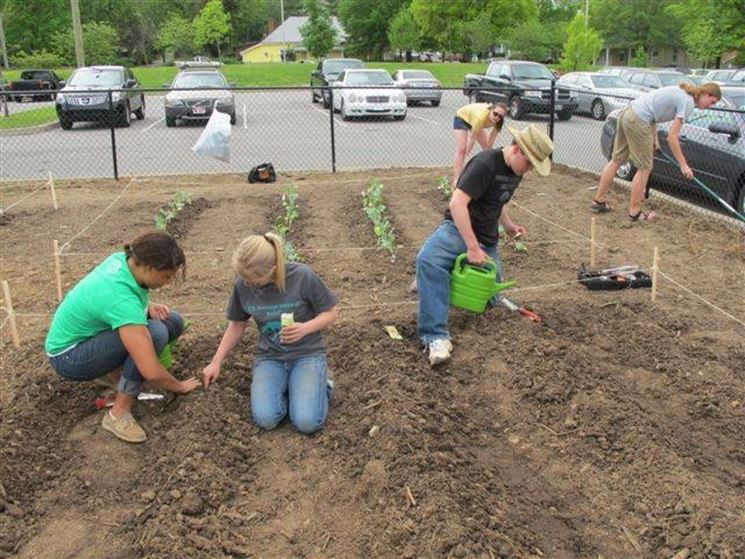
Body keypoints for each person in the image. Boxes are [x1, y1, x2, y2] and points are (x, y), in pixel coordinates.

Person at [417, 124, 554, 365]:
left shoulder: (516, 171)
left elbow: (497, 202)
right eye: (530, 162)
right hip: (459, 229)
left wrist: (509, 226)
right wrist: (471, 247)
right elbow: (457, 204)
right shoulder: (485, 164)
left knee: (492, 296)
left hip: (487, 237)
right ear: (516, 149)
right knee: (428, 262)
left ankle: (442, 279)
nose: (530, 169)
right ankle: (435, 336)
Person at [45, 232, 201, 443]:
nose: (169, 281)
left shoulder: (124, 261)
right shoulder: (119, 298)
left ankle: (121, 383)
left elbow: (116, 305)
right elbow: (151, 371)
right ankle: (118, 413)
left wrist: (146, 307)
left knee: (171, 321)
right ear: (149, 268)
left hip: (90, 338)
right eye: (167, 276)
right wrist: (179, 386)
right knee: (155, 333)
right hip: (69, 356)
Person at [202, 233, 338, 434]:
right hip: (270, 357)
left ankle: (321, 385)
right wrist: (216, 362)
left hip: (306, 354)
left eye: (253, 280)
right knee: (266, 419)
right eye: (244, 278)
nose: (248, 284)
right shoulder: (242, 284)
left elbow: (331, 313)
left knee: (307, 422)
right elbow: (237, 324)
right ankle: (295, 389)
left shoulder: (302, 276)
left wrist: (305, 328)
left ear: (273, 269)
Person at [591, 82, 721, 221]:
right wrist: (683, 165)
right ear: (707, 94)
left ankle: (599, 201)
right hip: (639, 120)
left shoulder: (682, 92)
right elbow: (672, 137)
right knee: (644, 167)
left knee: (617, 160)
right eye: (712, 102)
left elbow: (654, 111)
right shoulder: (688, 102)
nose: (710, 106)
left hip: (628, 114)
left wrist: (655, 139)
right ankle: (634, 212)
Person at [452, 102, 508, 186]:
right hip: (462, 118)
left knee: (487, 149)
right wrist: (466, 157)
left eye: (500, 116)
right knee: (462, 149)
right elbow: (472, 139)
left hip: (474, 122)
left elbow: (491, 140)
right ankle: (456, 179)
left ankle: (487, 173)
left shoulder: (499, 122)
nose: (497, 117)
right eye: (495, 114)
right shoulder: (480, 117)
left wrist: (488, 155)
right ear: (491, 110)